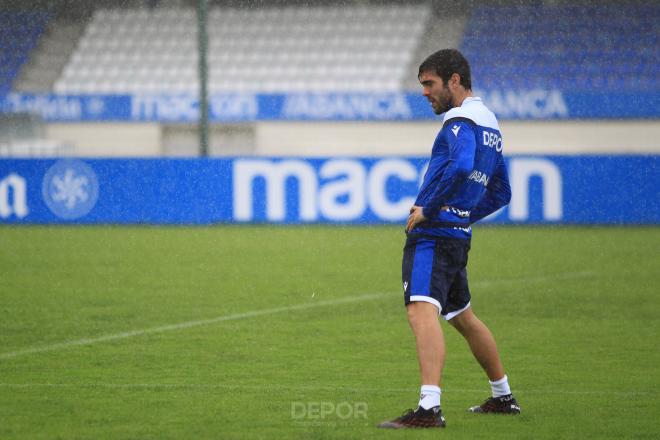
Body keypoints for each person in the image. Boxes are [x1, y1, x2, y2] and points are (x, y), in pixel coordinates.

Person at [378, 49, 520, 429]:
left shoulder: (458, 120)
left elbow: (458, 165)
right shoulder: (490, 124)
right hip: (455, 236)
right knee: (462, 316)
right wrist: (462, 216)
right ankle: (503, 395)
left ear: (454, 80)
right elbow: (502, 192)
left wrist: (431, 209)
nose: (425, 92)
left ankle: (429, 408)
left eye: (430, 84)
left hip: (434, 236)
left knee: (420, 311)